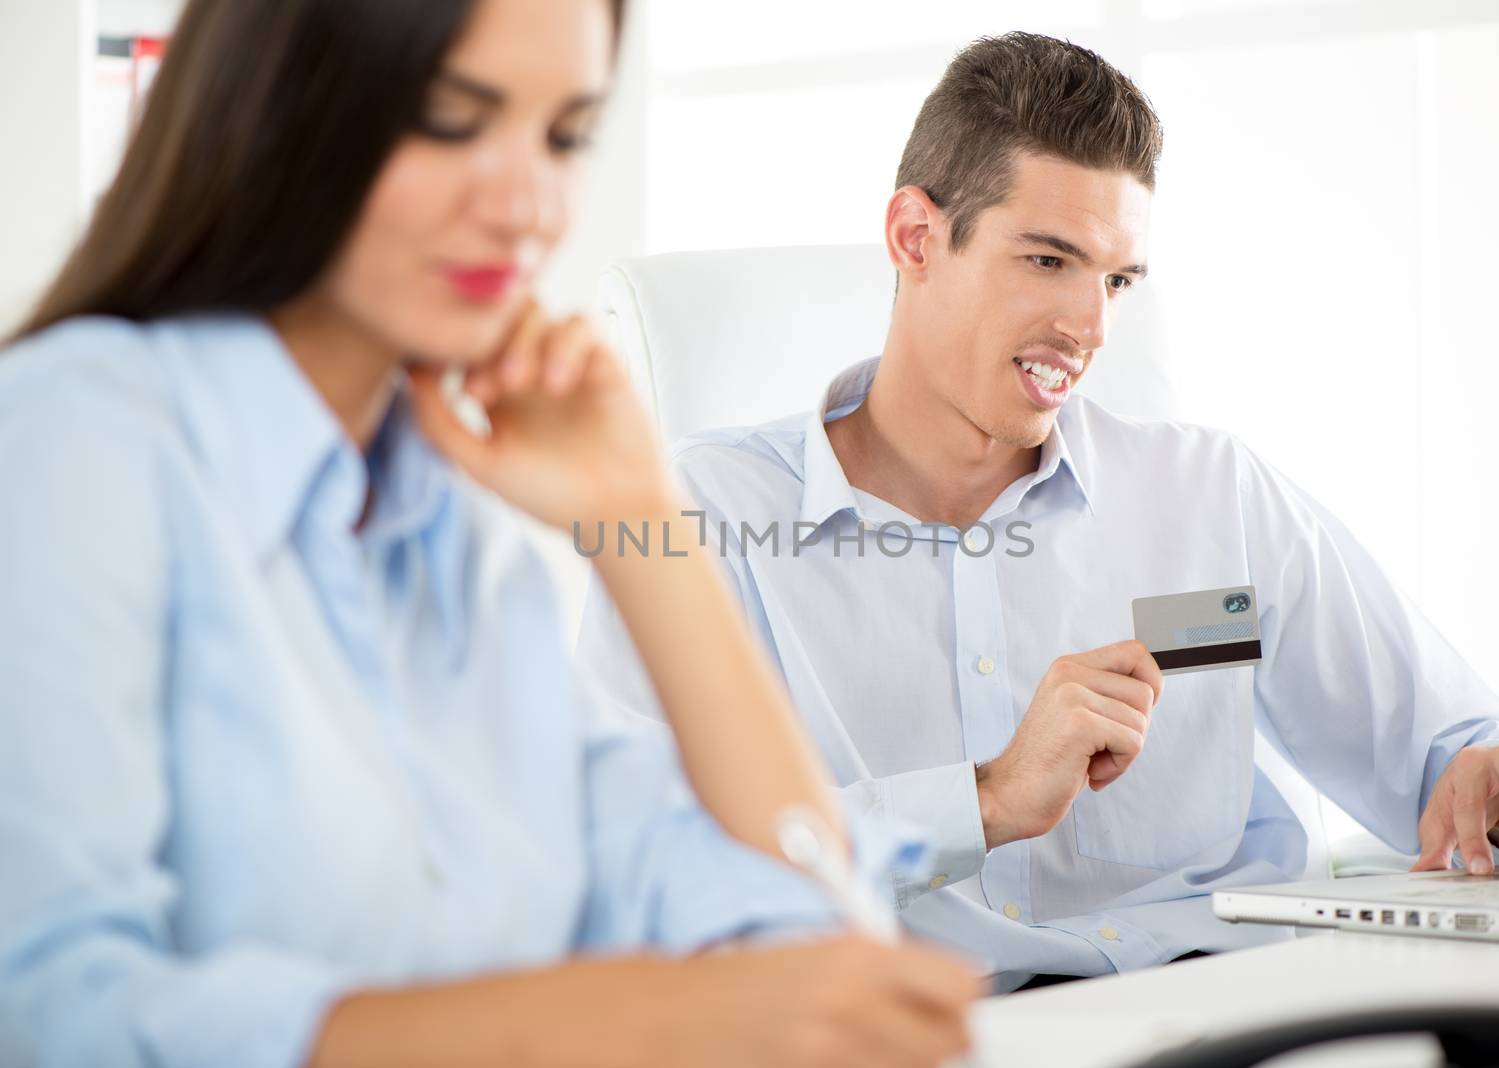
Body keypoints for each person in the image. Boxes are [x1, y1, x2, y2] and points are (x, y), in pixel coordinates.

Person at [0, 0, 981, 1064]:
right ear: (278, 113)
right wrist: (645, 1022)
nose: (530, 205)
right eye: (449, 119)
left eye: (564, 136)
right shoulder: (76, 438)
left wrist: (639, 520)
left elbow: (822, 943)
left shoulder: (459, 543)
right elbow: (55, 1018)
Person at [576, 31, 1499, 992]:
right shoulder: (703, 518)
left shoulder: (1210, 498)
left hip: (1239, 1010)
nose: (1090, 326)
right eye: (1047, 261)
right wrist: (985, 801)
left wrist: (1490, 775)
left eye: (1116, 279)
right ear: (914, 235)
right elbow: (632, 867)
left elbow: (1445, 751)